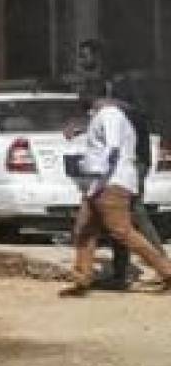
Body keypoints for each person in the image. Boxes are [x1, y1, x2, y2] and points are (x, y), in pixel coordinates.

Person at [63, 87, 171, 295]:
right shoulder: (103, 116)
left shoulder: (110, 116)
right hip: (98, 183)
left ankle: (166, 271)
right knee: (84, 230)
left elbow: (112, 148)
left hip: (112, 182)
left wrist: (97, 169)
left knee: (122, 232)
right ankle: (81, 279)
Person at [101, 77, 165, 288]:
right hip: (131, 168)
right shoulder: (127, 113)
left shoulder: (129, 113)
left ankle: (162, 264)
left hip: (132, 168)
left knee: (134, 215)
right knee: (121, 219)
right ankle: (121, 272)